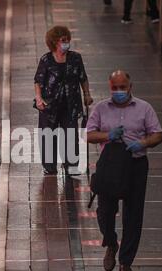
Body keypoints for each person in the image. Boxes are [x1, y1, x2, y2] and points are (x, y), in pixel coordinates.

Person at [86, 70, 162, 271]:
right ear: (109, 86)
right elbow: (90, 134)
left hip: (135, 165)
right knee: (104, 212)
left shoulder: (144, 108)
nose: (119, 91)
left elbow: (158, 134)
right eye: (115, 87)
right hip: (110, 165)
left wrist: (144, 142)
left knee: (133, 214)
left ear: (131, 87)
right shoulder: (101, 108)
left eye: (123, 87)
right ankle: (111, 242)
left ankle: (126, 261)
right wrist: (107, 135)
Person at [34, 26, 93, 175]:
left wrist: (86, 94)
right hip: (50, 105)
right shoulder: (46, 60)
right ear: (54, 42)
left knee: (71, 134)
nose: (67, 43)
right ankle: (49, 166)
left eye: (68, 40)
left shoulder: (75, 58)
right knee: (48, 134)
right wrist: (39, 99)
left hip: (70, 103)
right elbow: (38, 81)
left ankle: (71, 165)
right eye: (63, 40)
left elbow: (83, 77)